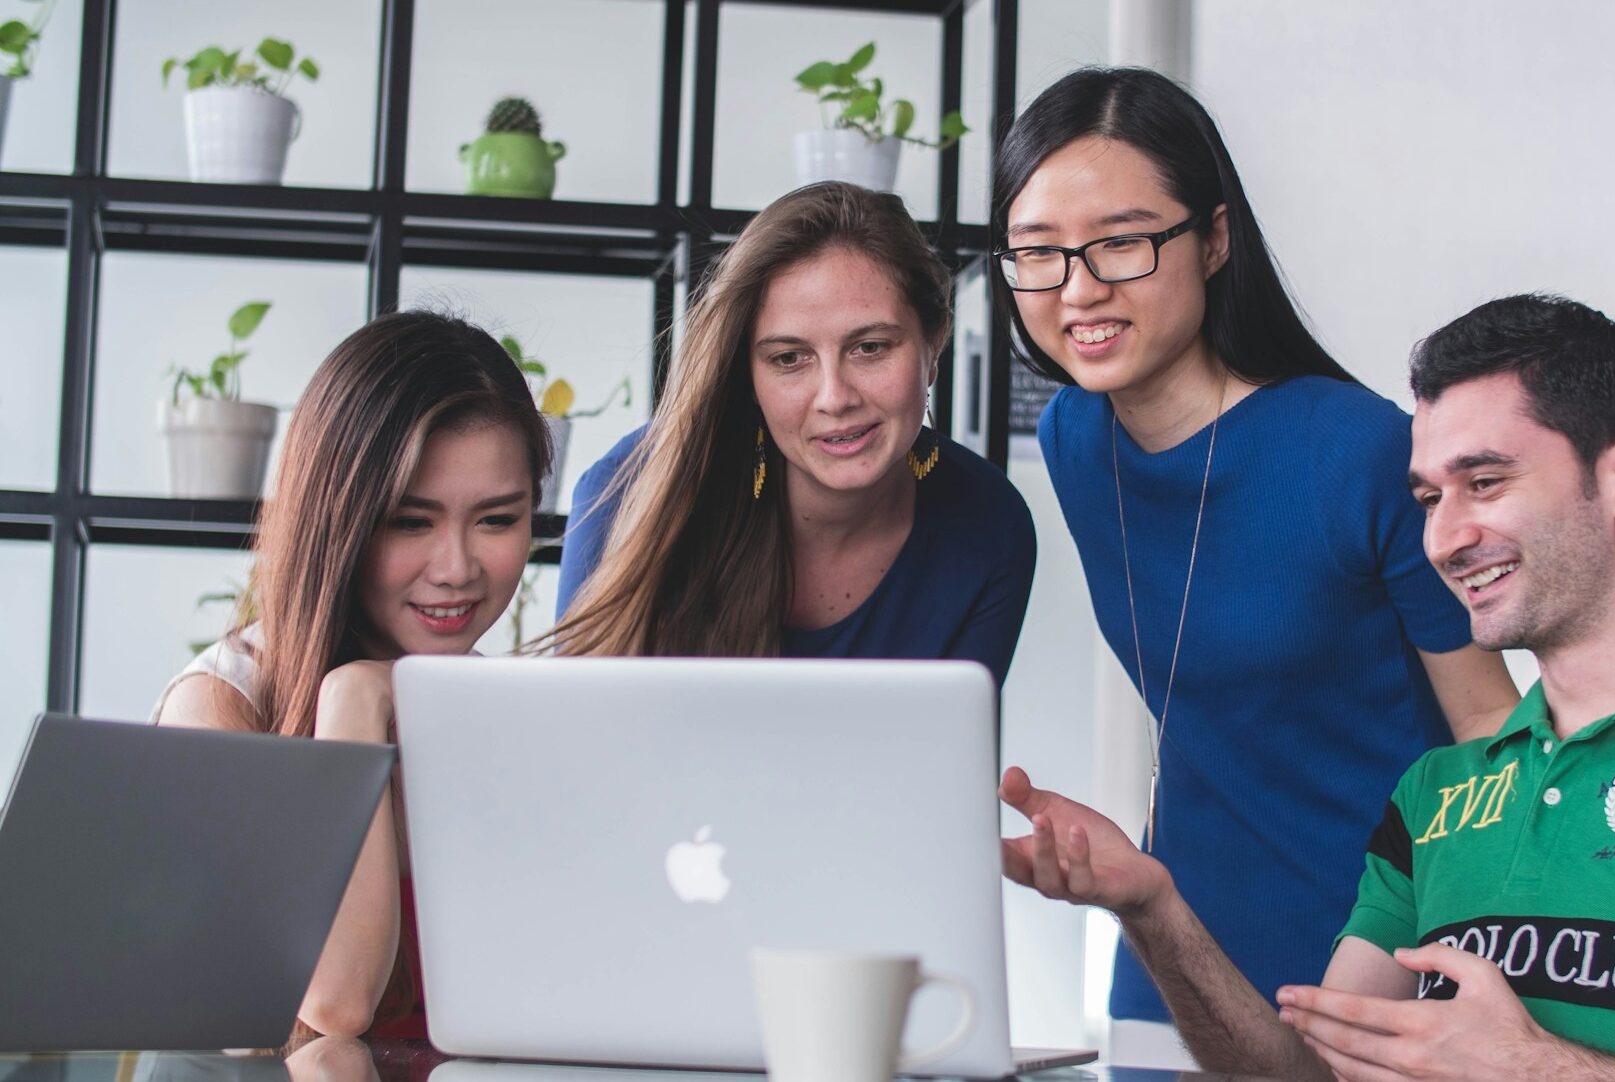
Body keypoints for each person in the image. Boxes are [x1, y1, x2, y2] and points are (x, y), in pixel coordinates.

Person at [999, 294, 1615, 1082]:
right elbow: (1313, 1075)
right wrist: (1153, 906)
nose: (1445, 538)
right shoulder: (1436, 794)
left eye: (1485, 481)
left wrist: (1535, 1066)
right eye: (1431, 498)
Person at [989, 66, 1519, 1058]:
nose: (1079, 289)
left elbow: (1489, 728)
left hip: (1378, 956)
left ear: (1216, 236)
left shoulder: (1358, 450)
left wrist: (1471, 957)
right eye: (1039, 254)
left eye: (1123, 242)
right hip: (1172, 947)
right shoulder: (1073, 438)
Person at [152, 311, 551, 1038]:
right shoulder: (219, 704)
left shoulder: (501, 712)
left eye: (497, 520)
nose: (457, 569)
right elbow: (334, 1003)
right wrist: (353, 705)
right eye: (409, 521)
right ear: (338, 520)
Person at [552, 182, 1036, 684]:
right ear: (749, 376)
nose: (834, 396)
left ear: (932, 345)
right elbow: (576, 741)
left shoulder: (991, 526)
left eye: (870, 347)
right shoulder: (630, 491)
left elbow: (947, 755)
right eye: (789, 358)